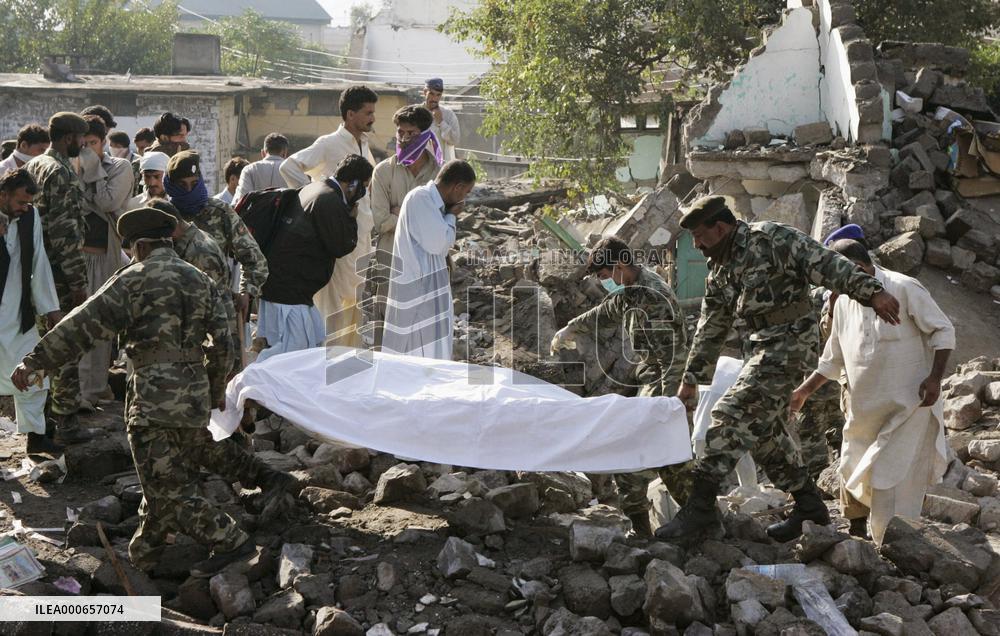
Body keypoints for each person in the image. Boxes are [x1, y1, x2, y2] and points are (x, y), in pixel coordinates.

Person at [10, 206, 296, 575]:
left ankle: (231, 541)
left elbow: (81, 325)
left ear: (140, 247)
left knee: (167, 488)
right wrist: (212, 391)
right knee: (169, 473)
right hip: (192, 396)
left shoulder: (132, 279)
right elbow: (225, 339)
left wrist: (34, 362)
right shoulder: (199, 279)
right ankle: (146, 551)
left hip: (150, 402)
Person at [653, 195, 902, 544]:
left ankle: (700, 510)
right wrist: (691, 381)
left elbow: (827, 263)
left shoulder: (771, 239)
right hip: (758, 347)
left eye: (699, 235)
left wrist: (872, 293)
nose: (696, 245)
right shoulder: (721, 270)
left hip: (791, 342)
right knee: (765, 431)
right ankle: (809, 506)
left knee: (730, 415)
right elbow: (711, 328)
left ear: (720, 227)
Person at [791, 239, 954, 544]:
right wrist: (803, 391)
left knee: (890, 480)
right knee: (854, 468)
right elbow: (833, 359)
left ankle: (891, 546)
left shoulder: (904, 288)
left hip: (908, 408)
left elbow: (944, 330)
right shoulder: (841, 302)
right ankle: (864, 537)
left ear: (855, 268)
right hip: (864, 412)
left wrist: (934, 378)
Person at [550, 237, 689, 536]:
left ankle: (661, 526)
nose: (605, 282)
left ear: (619, 265)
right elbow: (605, 311)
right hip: (651, 378)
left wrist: (667, 402)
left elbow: (674, 354)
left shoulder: (652, 296)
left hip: (666, 381)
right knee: (667, 460)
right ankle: (684, 521)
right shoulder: (631, 291)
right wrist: (570, 327)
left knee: (640, 456)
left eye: (604, 276)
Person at [280, 85, 377, 347]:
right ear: (350, 114)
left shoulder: (364, 144)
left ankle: (347, 362)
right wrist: (320, 199)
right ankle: (325, 361)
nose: (372, 118)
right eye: (367, 113)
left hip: (362, 235)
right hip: (337, 236)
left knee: (356, 301)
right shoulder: (329, 143)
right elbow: (289, 166)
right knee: (333, 303)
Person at [257, 155, 369, 361]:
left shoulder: (315, 188)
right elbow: (341, 245)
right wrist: (352, 220)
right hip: (288, 291)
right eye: (363, 187)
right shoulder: (329, 200)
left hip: (288, 288)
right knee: (289, 356)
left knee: (309, 347)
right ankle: (251, 383)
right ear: (352, 184)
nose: (362, 193)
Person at [23, 112, 92, 444]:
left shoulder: (34, 166)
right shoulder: (59, 172)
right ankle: (66, 423)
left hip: (38, 272)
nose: (83, 144)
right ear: (69, 138)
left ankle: (43, 421)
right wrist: (78, 281)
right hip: (59, 276)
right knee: (65, 345)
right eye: (81, 138)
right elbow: (64, 233)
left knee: (40, 346)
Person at [163, 150, 268, 357]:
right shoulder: (163, 215)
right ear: (171, 185)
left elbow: (255, 259)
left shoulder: (220, 213)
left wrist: (246, 291)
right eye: (183, 186)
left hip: (217, 313)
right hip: (173, 313)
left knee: (225, 374)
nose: (190, 190)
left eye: (194, 183)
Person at [382, 160, 475, 360]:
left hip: (428, 289)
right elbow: (439, 244)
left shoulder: (433, 204)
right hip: (418, 292)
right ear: (457, 187)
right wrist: (451, 217)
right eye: (465, 192)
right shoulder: (420, 198)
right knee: (417, 352)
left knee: (429, 351)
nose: (464, 199)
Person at [369, 105, 442, 348]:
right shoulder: (383, 172)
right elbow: (381, 222)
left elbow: (440, 222)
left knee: (425, 332)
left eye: (410, 133)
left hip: (426, 264)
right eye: (400, 132)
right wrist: (418, 217)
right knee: (387, 330)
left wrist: (400, 213)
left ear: (424, 135)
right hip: (391, 263)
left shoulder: (438, 174)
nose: (403, 138)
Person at [0, 170, 62, 455]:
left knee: (33, 374)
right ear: (3, 195)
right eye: (21, 202)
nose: (25, 207)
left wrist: (50, 308)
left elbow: (39, 260)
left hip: (18, 314)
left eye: (28, 203)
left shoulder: (30, 217)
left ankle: (35, 437)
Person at [77, 115, 134, 411]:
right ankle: (79, 392)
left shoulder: (120, 167)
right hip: (76, 258)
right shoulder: (69, 166)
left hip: (104, 256)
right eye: (82, 143)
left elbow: (107, 203)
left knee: (98, 327)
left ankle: (94, 389)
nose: (86, 149)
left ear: (104, 142)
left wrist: (93, 171)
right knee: (74, 325)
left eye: (92, 143)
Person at [232, 133, 290, 203]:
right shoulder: (292, 169)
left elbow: (241, 200)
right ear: (285, 153)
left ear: (263, 153)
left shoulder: (249, 169)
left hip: (255, 213)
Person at [422, 78, 460, 162]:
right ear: (425, 92)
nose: (434, 99)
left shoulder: (448, 114)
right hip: (419, 166)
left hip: (441, 166)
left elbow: (455, 140)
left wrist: (441, 122)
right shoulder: (416, 113)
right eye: (431, 94)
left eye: (438, 95)